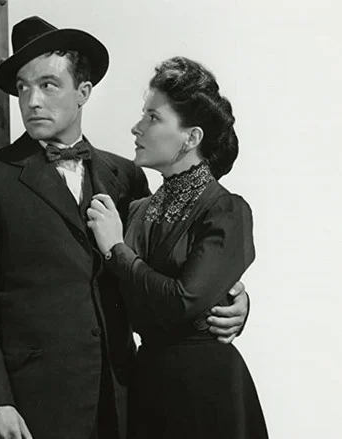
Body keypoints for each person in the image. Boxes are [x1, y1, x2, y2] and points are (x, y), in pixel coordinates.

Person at [0, 17, 251, 439]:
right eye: (23, 88)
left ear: (83, 92)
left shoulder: (128, 178)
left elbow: (165, 273)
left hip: (124, 398)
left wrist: (233, 300)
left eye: (48, 85)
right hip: (34, 404)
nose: (32, 100)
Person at [86, 56, 268, 438]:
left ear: (191, 137)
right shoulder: (136, 209)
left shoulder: (226, 209)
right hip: (146, 383)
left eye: (153, 117)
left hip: (207, 390)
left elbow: (183, 300)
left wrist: (116, 249)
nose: (137, 127)